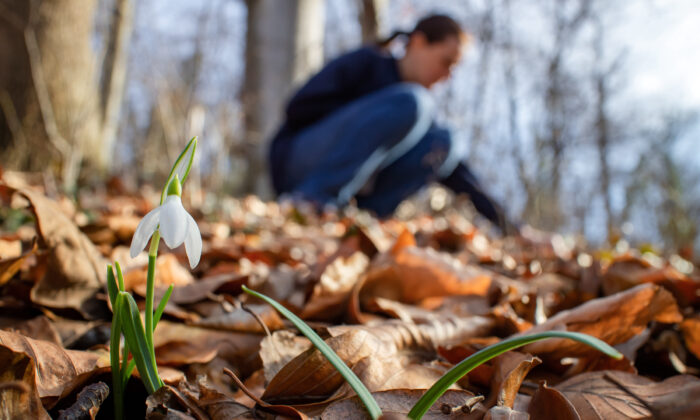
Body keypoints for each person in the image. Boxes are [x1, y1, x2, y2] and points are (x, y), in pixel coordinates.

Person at [268, 14, 519, 235]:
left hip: (354, 195)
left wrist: (512, 228)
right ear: (419, 43)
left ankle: (365, 220)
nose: (448, 75)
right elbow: (297, 108)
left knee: (447, 142)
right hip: (298, 162)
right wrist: (366, 124)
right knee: (414, 102)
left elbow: (461, 176)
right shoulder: (370, 63)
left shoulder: (418, 116)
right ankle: (312, 200)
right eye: (446, 62)